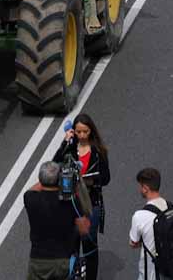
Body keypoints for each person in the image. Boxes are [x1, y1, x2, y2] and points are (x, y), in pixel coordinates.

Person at [55, 114, 111, 267]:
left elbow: (106, 178)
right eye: (78, 132)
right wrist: (65, 142)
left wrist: (90, 180)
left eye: (85, 131)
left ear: (91, 131)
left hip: (90, 203)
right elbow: (55, 164)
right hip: (71, 202)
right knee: (71, 244)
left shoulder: (98, 152)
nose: (81, 135)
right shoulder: (70, 149)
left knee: (89, 244)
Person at [23, 161, 90, 280]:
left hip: (38, 260)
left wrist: (47, 177)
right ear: (58, 179)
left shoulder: (30, 198)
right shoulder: (71, 201)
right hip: (63, 262)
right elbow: (84, 230)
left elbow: (35, 188)